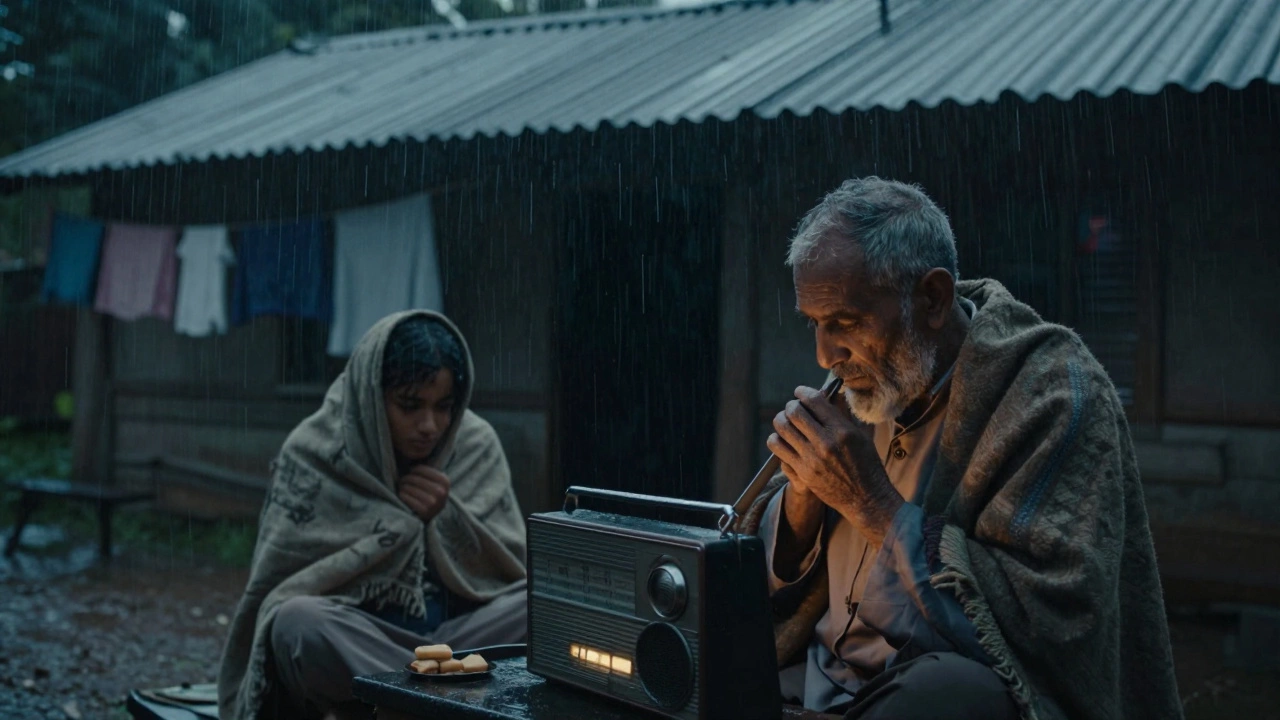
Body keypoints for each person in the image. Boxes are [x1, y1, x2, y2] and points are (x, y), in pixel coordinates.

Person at [741, 177, 1182, 720]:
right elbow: (771, 589)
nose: (825, 355)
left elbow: (1044, 626)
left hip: (919, 694)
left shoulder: (1050, 393)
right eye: (814, 323)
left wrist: (870, 502)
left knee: (951, 692)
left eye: (846, 323)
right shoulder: (859, 387)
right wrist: (803, 506)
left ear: (932, 299)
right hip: (811, 683)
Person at [218, 311, 528, 720]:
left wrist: (444, 520)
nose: (429, 426)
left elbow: (506, 567)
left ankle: (407, 704)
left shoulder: (474, 445)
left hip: (462, 642)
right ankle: (437, 703)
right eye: (409, 405)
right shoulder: (318, 450)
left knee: (541, 606)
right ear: (372, 395)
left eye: (444, 407)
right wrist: (396, 522)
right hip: (363, 640)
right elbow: (281, 582)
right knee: (296, 622)